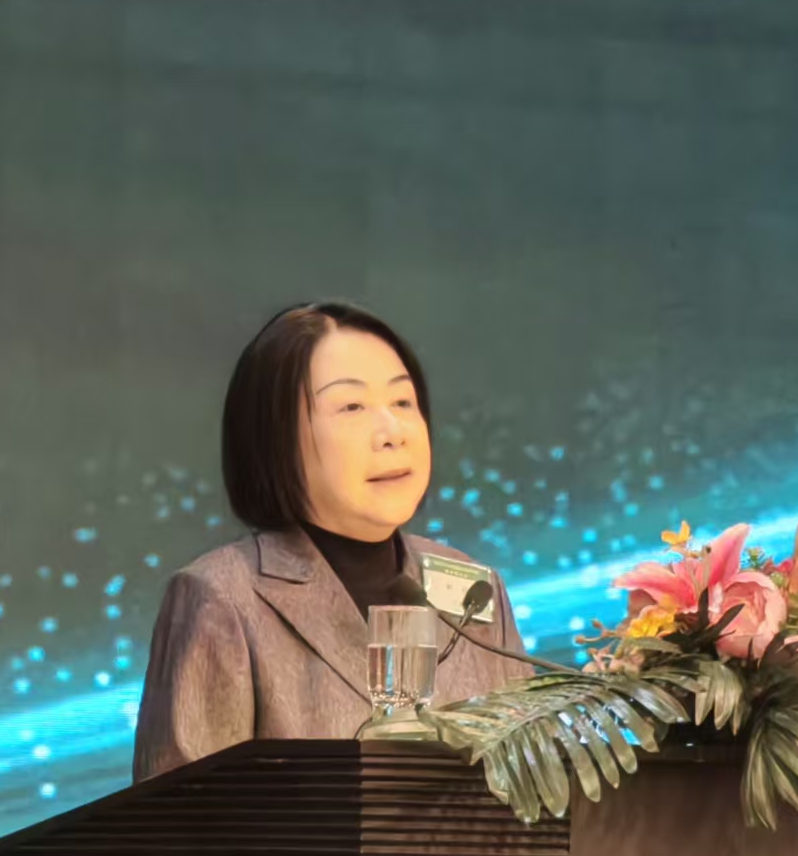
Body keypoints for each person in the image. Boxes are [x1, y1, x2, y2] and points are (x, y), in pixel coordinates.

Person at [132, 301, 530, 782]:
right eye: (351, 407)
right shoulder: (222, 597)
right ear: (275, 436)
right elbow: (184, 817)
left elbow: (531, 783)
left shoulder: (475, 588)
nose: (392, 433)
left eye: (403, 402)